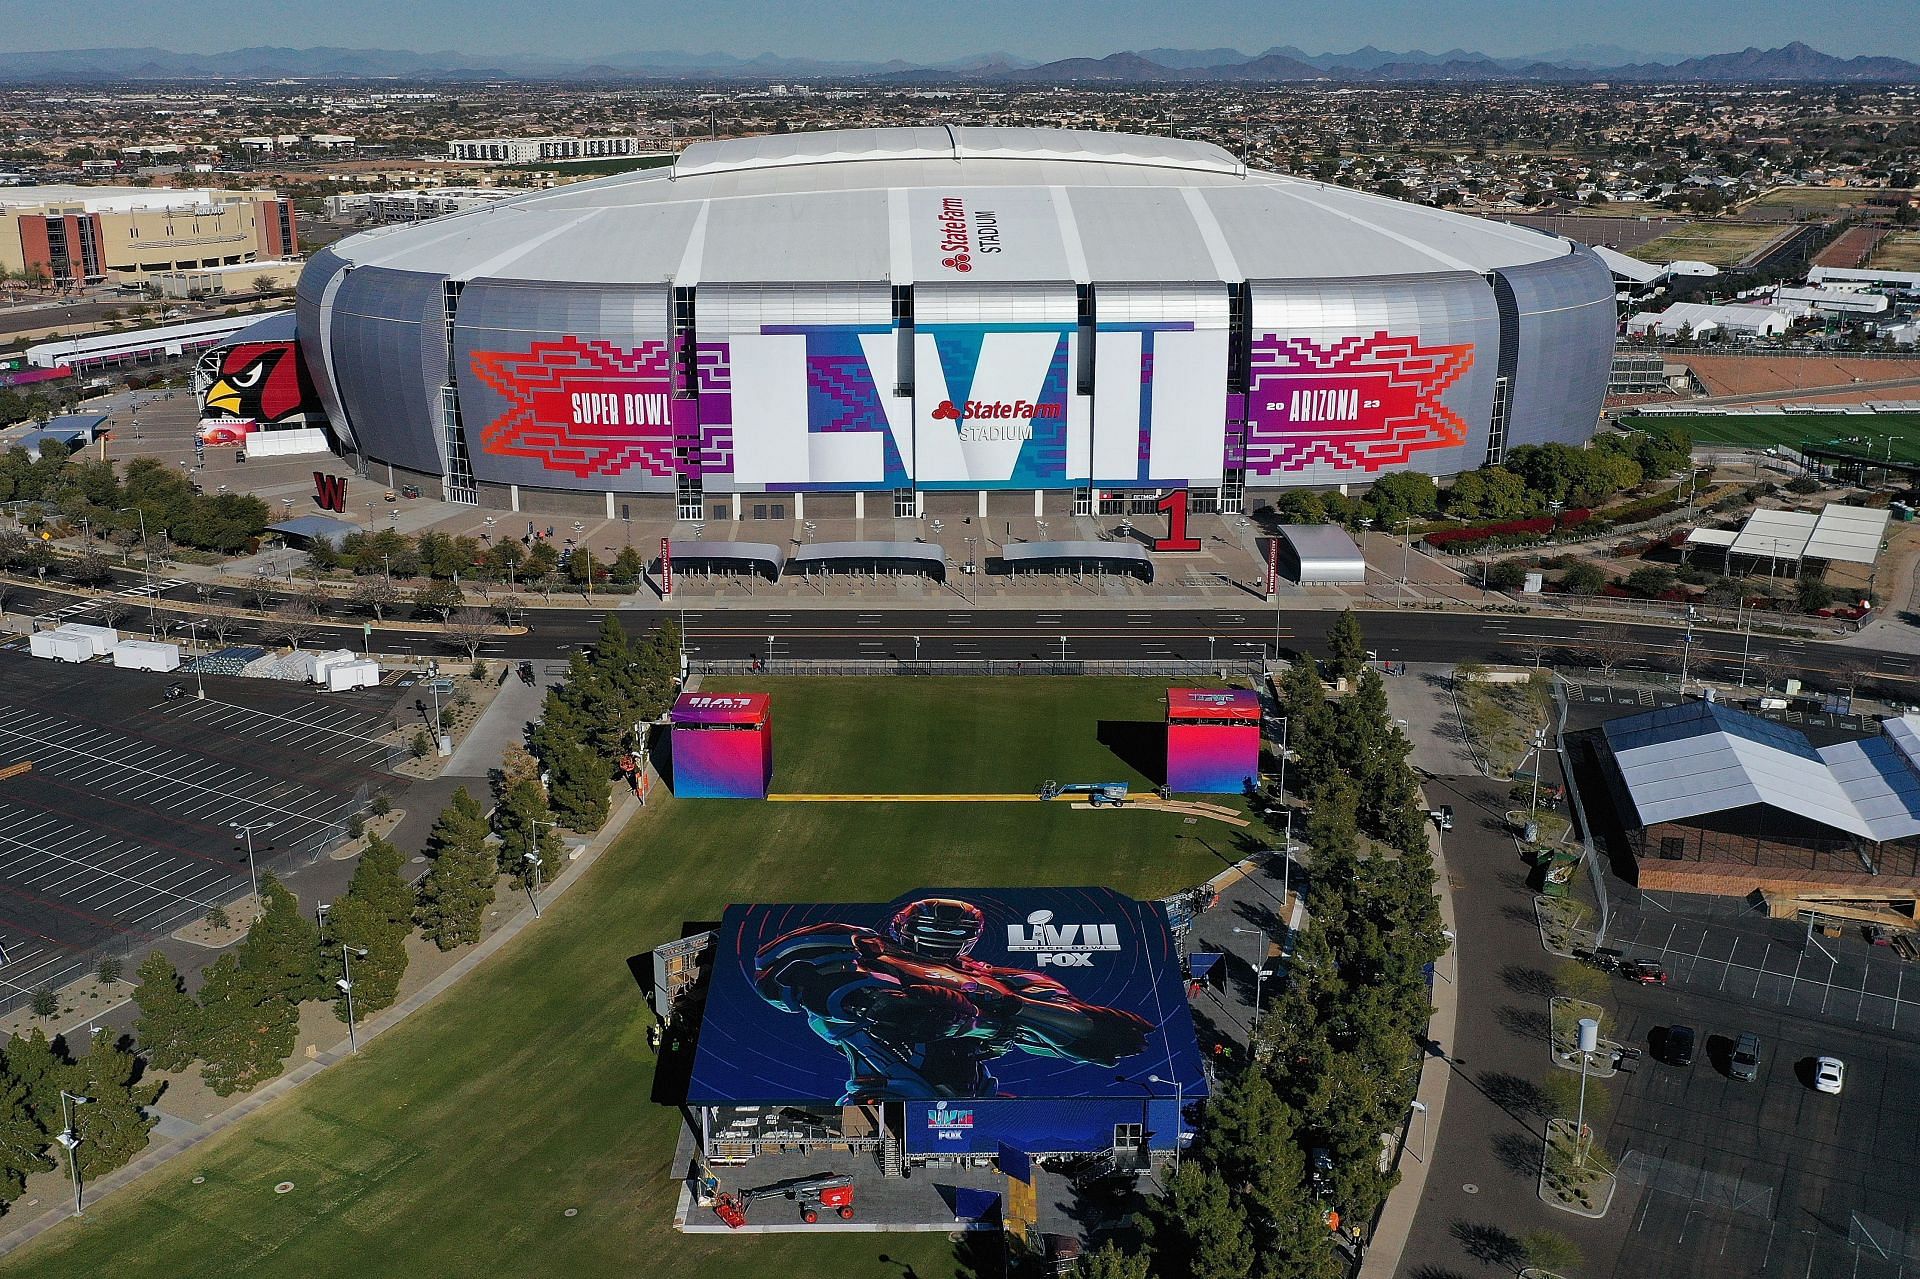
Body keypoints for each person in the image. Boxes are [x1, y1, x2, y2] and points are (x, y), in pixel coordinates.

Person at [754, 897, 1151, 1102]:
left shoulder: (994, 980)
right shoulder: (867, 951)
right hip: (888, 1087)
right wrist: (883, 1003)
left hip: (974, 1093)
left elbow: (1102, 1034)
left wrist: (1003, 1010)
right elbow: (786, 978)